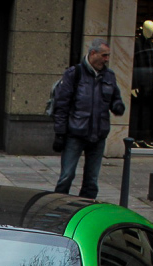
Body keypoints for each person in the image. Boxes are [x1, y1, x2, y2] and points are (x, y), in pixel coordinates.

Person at [52, 38, 126, 199]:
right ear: (93, 54)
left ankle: (85, 208)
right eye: (104, 55)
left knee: (91, 181)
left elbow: (115, 98)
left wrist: (118, 105)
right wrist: (59, 133)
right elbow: (61, 105)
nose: (106, 59)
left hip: (98, 135)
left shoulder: (109, 76)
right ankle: (58, 205)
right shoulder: (74, 74)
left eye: (108, 56)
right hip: (75, 134)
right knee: (67, 176)